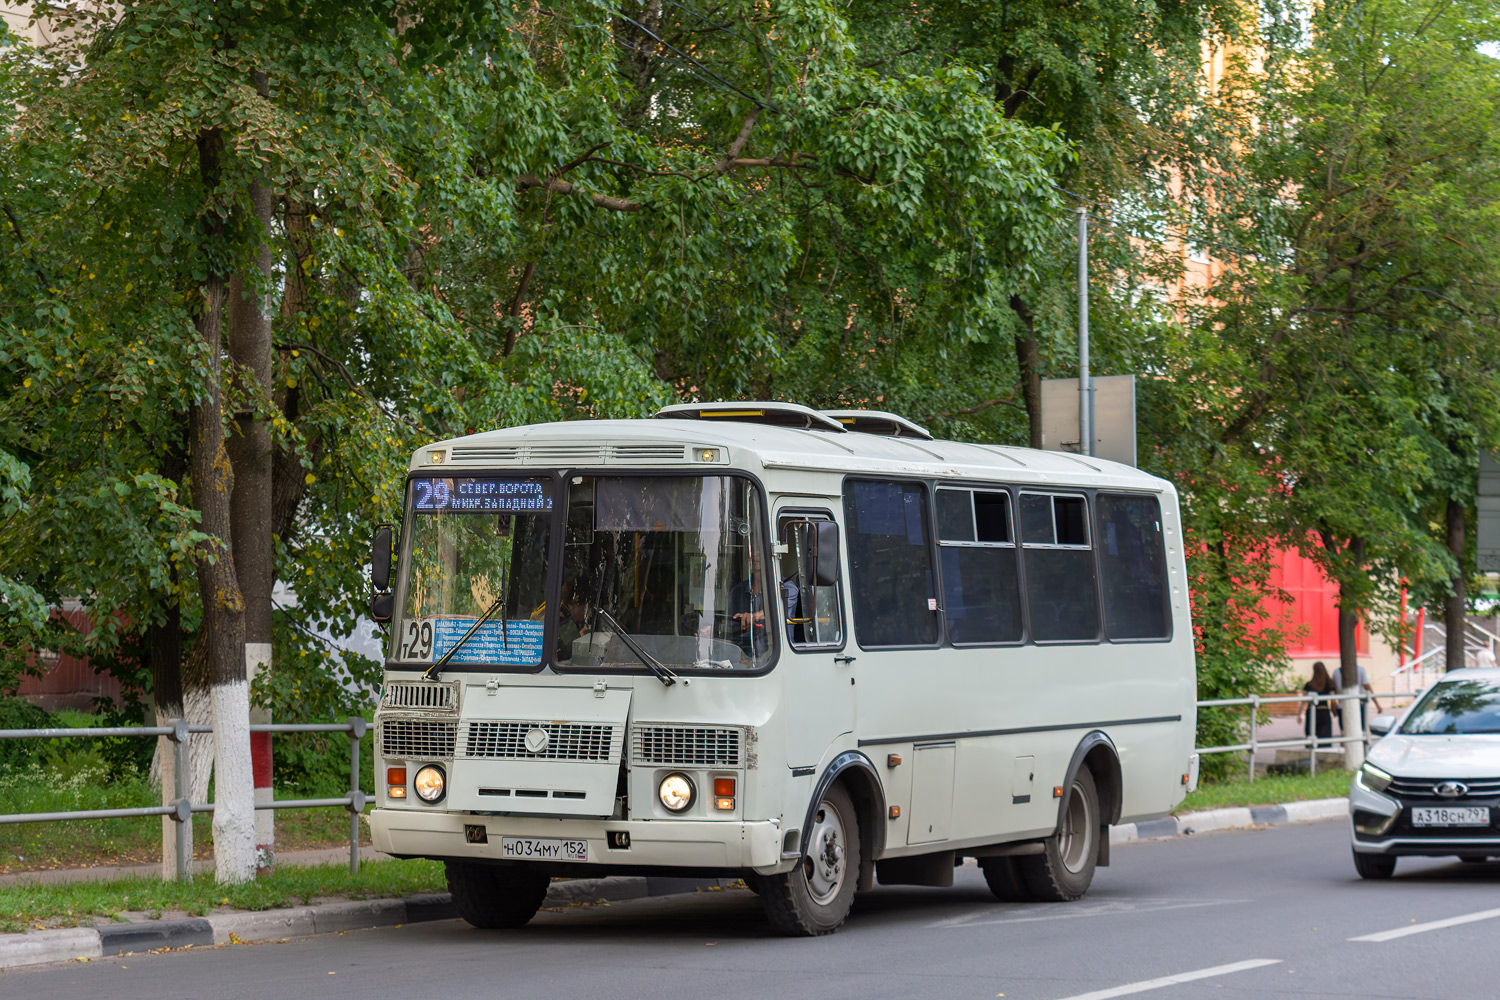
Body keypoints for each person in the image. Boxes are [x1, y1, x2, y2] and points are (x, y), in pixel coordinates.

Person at [1332, 662, 1381, 734]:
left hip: (1342, 706)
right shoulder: (1360, 670)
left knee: (1344, 732)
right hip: (1357, 705)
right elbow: (1367, 687)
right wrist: (1377, 704)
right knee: (1360, 731)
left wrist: (1334, 703)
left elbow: (1334, 690)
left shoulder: (1336, 672)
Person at [1300, 661, 1336, 751]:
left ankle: (1311, 755)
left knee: (1311, 735)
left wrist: (1299, 714)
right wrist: (1334, 709)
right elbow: (1333, 699)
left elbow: (1304, 701)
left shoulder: (1310, 685)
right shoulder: (1329, 683)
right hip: (1324, 712)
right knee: (1324, 738)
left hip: (1311, 713)